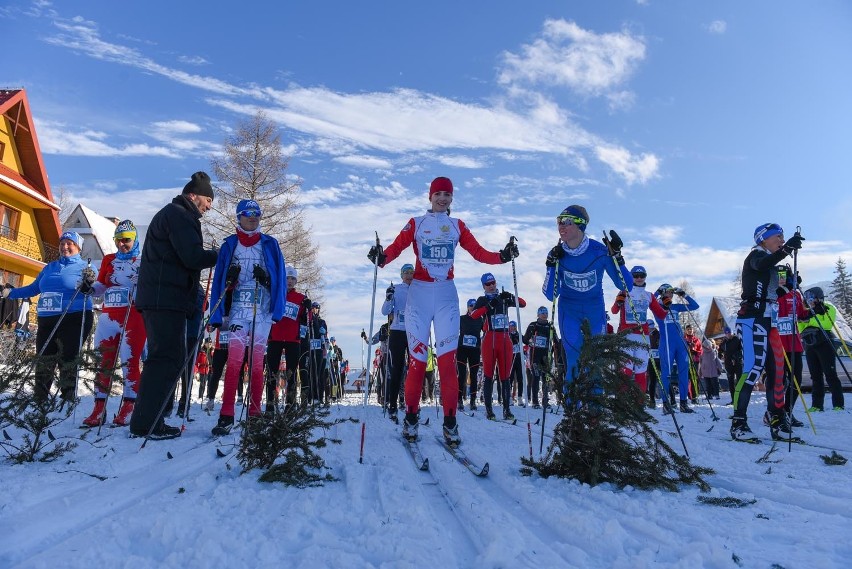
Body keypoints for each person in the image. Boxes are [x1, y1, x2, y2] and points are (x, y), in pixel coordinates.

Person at [368, 176, 516, 445]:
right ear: (430, 196)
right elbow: (397, 247)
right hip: (420, 295)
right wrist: (381, 258)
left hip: (447, 294)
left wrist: (502, 256)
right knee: (418, 362)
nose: (443, 198)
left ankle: (450, 423)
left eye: (447, 194)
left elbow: (479, 252)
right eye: (438, 193)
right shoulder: (417, 223)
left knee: (448, 363)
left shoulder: (457, 225)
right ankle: (411, 418)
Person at [129, 172, 219, 440]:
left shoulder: (174, 214)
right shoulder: (180, 216)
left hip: (162, 297)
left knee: (166, 357)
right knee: (165, 358)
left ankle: (151, 415)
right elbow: (191, 257)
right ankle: (148, 422)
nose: (209, 206)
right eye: (207, 199)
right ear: (193, 195)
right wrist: (220, 254)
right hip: (163, 298)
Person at [208, 199, 286, 436]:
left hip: (261, 309)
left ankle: (254, 414)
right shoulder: (229, 245)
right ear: (239, 216)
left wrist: (268, 282)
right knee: (234, 361)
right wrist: (219, 307)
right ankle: (226, 414)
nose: (253, 217)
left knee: (257, 362)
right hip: (239, 309)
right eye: (248, 213)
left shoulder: (270, 244)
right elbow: (220, 280)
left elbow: (280, 277)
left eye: (257, 213)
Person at [542, 205, 633, 394]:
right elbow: (550, 294)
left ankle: (595, 415)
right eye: (559, 221)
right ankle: (573, 413)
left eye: (566, 221)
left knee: (596, 361)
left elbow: (626, 285)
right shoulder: (559, 254)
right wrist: (551, 265)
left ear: (580, 225)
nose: (561, 226)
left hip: (594, 310)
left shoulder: (599, 251)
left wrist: (617, 258)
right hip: (569, 311)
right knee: (574, 359)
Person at [4, 231, 95, 405]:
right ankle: (40, 397)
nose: (65, 246)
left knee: (67, 357)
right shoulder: (50, 267)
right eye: (62, 243)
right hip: (47, 319)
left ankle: (67, 397)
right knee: (44, 357)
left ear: (78, 247)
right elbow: (33, 288)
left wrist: (88, 283)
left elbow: (93, 287)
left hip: (73, 316)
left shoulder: (86, 267)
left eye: (70, 243)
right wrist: (11, 293)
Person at [731, 223, 804, 441]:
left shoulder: (772, 264)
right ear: (764, 239)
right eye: (778, 236)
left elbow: (774, 293)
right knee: (752, 370)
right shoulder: (755, 256)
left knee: (777, 372)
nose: (781, 239)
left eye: (783, 237)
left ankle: (777, 420)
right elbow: (762, 265)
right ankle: (738, 423)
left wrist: (790, 285)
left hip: (770, 321)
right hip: (752, 319)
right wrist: (787, 249)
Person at [81, 221, 145, 427]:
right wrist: (89, 288)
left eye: (126, 240)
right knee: (103, 362)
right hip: (108, 316)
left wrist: (141, 281)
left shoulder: (143, 260)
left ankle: (129, 406)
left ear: (134, 240)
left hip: (133, 317)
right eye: (118, 240)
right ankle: (99, 408)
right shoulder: (109, 259)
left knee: (130, 362)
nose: (122, 244)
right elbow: (100, 287)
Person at [471, 273, 526, 420]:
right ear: (483, 286)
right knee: (489, 375)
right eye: (488, 284)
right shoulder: (482, 300)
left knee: (505, 376)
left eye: (493, 283)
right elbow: (474, 315)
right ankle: (489, 410)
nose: (491, 286)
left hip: (505, 339)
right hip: (490, 339)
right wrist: (489, 306)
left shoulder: (503, 298)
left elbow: (523, 303)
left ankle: (507, 409)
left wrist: (511, 296)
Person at [610, 265, 667, 398]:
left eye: (642, 276)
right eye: (636, 276)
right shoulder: (624, 291)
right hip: (627, 336)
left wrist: (666, 305)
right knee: (626, 371)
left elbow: (661, 314)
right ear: (631, 277)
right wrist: (619, 302)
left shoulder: (649, 295)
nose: (639, 278)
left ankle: (639, 404)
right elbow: (614, 311)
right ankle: (623, 403)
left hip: (643, 337)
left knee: (641, 372)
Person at [266, 265, 312, 411]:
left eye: (293, 279)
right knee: (272, 372)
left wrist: (308, 309)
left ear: (296, 281)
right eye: (287, 278)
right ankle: (270, 404)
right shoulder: (275, 294)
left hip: (293, 340)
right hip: (275, 338)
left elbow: (307, 321)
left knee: (291, 373)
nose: (290, 281)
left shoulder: (300, 298)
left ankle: (290, 404)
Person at [653, 284, 700, 413]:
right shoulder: (657, 306)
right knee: (666, 373)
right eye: (667, 293)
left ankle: (684, 403)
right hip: (667, 343)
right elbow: (649, 301)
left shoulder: (675, 307)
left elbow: (695, 306)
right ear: (663, 294)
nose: (670, 295)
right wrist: (657, 292)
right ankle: (666, 404)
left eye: (671, 293)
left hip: (681, 344)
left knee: (684, 373)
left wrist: (684, 295)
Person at [799, 286, 845, 411]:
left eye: (812, 298)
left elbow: (827, 324)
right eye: (807, 298)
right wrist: (807, 318)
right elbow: (801, 327)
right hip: (809, 344)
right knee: (815, 376)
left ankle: (838, 404)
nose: (810, 301)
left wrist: (811, 319)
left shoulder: (828, 308)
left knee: (830, 374)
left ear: (819, 298)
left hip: (824, 343)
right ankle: (817, 405)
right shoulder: (806, 311)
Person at [381, 263, 414, 420]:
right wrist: (388, 298)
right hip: (397, 332)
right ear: (401, 275)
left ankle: (413, 405)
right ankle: (392, 404)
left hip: (414, 333)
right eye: (405, 272)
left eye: (411, 272)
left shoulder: (419, 289)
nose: (408, 275)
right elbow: (385, 311)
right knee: (397, 369)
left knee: (415, 369)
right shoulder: (397, 289)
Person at [776, 266, 808, 426]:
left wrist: (812, 311)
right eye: (779, 276)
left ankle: (788, 412)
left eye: (785, 276)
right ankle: (775, 413)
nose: (782, 278)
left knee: (796, 381)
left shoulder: (796, 295)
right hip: (778, 343)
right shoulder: (774, 293)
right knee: (780, 382)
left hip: (794, 343)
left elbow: (801, 314)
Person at [522, 306, 561, 409]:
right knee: (535, 377)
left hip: (546, 356)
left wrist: (556, 346)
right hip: (535, 355)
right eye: (542, 312)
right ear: (538, 314)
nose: (544, 314)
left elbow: (556, 342)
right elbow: (525, 340)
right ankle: (535, 401)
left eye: (545, 312)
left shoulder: (550, 327)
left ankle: (545, 401)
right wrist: (530, 339)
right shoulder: (533, 325)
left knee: (546, 378)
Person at [457, 298, 483, 410]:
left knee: (473, 376)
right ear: (467, 307)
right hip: (462, 349)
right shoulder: (462, 319)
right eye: (471, 305)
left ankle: (472, 401)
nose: (473, 307)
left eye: (475, 305)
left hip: (475, 350)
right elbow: (452, 330)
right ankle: (459, 400)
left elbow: (486, 331)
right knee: (462, 375)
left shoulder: (480, 319)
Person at [303, 302, 329, 404]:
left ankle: (319, 396)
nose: (314, 310)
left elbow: (325, 335)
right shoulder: (308, 320)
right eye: (313, 308)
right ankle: (309, 396)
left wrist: (324, 334)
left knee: (319, 373)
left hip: (319, 349)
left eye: (316, 308)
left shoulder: (322, 321)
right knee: (309, 372)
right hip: (310, 348)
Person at [718, 326, 743, 405]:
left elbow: (742, 350)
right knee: (731, 383)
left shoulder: (737, 339)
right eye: (726, 333)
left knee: (739, 382)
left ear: (732, 332)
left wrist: (736, 356)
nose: (728, 334)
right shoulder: (724, 342)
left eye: (729, 333)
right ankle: (734, 400)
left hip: (738, 363)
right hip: (728, 364)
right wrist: (720, 354)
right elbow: (720, 349)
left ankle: (740, 399)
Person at [646, 319, 661, 408]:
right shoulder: (647, 335)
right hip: (651, 360)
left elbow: (659, 345)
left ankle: (671, 400)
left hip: (659, 359)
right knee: (652, 380)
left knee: (664, 379)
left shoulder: (658, 334)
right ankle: (652, 400)